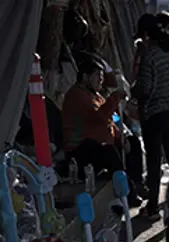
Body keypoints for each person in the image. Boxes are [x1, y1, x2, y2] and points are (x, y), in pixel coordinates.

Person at [61, 54, 144, 207]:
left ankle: (137, 183)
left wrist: (121, 137)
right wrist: (114, 98)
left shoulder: (97, 96)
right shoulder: (77, 96)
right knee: (108, 152)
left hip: (101, 142)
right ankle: (128, 191)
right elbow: (99, 117)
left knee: (133, 142)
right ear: (85, 77)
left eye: (101, 77)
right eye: (97, 77)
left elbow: (112, 119)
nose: (101, 80)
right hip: (80, 149)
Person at [134, 12, 169, 219]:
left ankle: (152, 207)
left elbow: (145, 88)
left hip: (155, 114)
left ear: (147, 34)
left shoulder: (150, 56)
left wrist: (134, 91)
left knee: (154, 161)